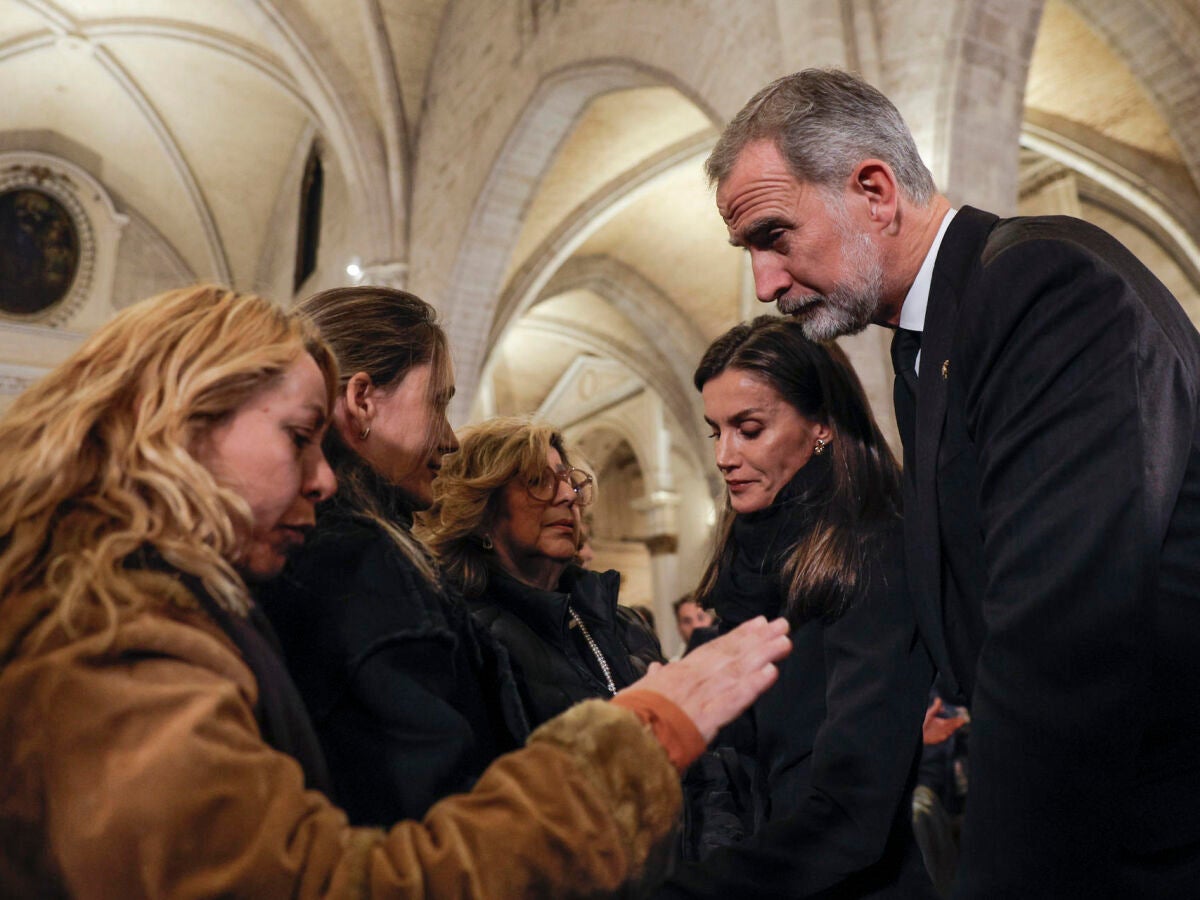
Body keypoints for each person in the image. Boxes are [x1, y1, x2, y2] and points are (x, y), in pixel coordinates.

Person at [0, 285, 792, 898]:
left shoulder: (132, 599)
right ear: (183, 420)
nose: (321, 477)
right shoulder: (108, 632)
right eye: (298, 437)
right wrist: (641, 736)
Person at [706, 67, 1200, 895]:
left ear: (873, 189)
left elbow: (1061, 641)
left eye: (774, 236)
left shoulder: (1036, 285)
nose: (764, 283)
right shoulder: (933, 340)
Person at [660, 316, 934, 898]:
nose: (724, 456)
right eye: (716, 432)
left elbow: (853, 810)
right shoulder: (751, 560)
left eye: (749, 428)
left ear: (821, 426)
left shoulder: (875, 550)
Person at [256, 286, 527, 826]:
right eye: (439, 402)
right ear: (362, 400)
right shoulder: (360, 561)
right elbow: (430, 817)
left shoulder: (292, 546)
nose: (451, 441)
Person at [423, 417, 662, 726]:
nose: (568, 496)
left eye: (571, 482)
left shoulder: (623, 622)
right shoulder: (463, 641)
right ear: (480, 511)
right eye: (538, 481)